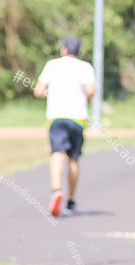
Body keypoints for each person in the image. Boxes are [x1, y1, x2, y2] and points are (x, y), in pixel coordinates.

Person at [34, 36, 95, 217]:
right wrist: (86, 98)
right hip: (77, 118)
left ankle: (56, 190)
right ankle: (71, 201)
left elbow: (38, 90)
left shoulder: (53, 65)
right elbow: (90, 90)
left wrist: (49, 92)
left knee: (56, 153)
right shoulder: (85, 67)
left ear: (64, 50)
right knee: (73, 159)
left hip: (56, 117)